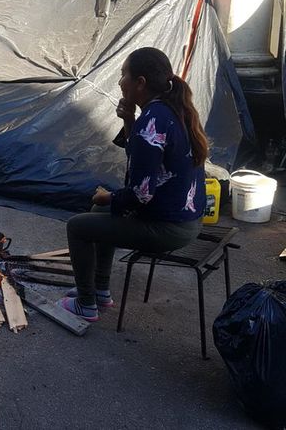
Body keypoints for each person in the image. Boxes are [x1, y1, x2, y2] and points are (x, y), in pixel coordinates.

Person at [59, 47, 208, 321]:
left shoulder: (152, 120)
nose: (119, 82)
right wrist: (129, 121)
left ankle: (85, 304)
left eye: (123, 75)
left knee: (77, 226)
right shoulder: (171, 109)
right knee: (98, 216)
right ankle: (100, 290)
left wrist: (109, 198)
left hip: (169, 228)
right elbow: (143, 159)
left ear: (140, 83)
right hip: (186, 218)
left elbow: (141, 194)